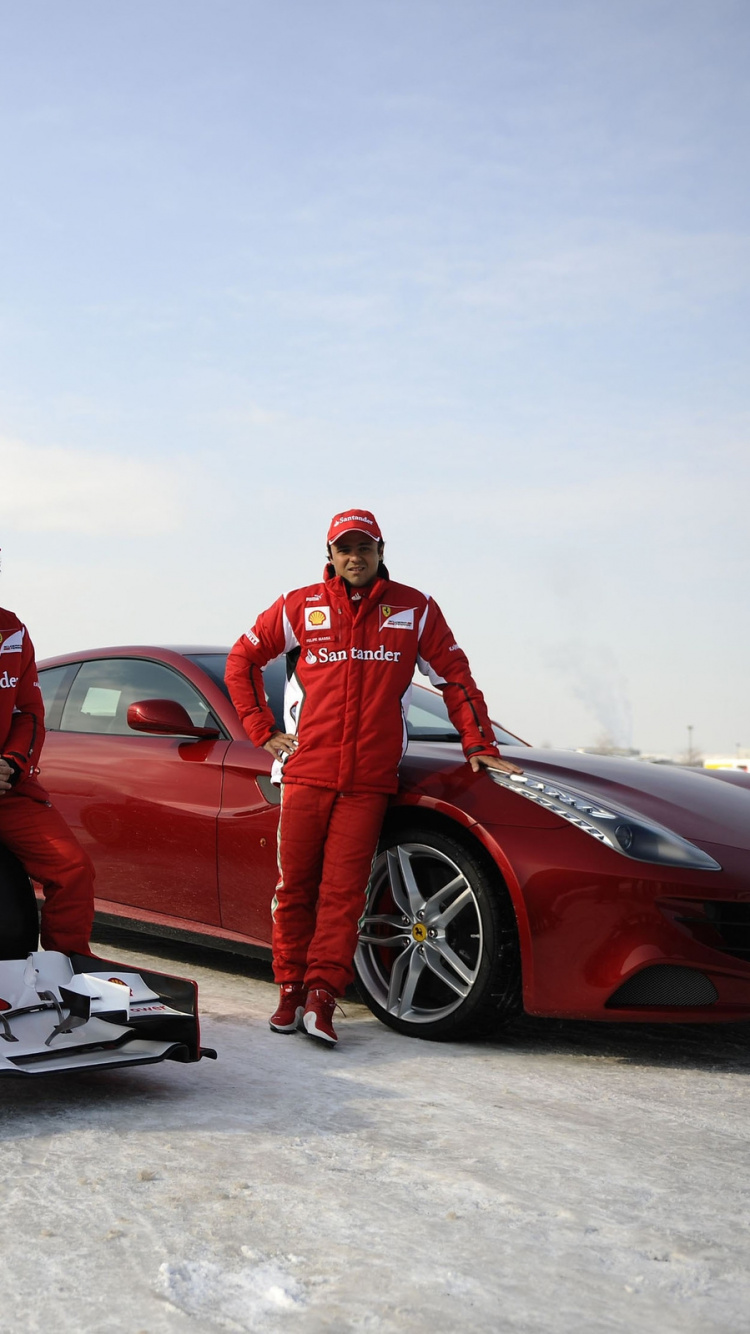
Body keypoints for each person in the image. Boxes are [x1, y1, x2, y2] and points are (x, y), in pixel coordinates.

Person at [225, 508, 521, 1046]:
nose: (354, 557)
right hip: (306, 772)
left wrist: (479, 744)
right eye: (345, 549)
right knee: (294, 889)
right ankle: (290, 990)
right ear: (330, 556)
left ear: (381, 552)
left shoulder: (415, 609)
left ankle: (322, 997)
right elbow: (241, 660)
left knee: (344, 894)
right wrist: (262, 731)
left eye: (364, 547)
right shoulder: (300, 605)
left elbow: (455, 677)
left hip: (368, 781)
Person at [0, 605, 95, 956]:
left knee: (73, 868)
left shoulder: (11, 629)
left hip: (8, 788)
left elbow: (28, 712)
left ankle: (66, 967)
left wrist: (11, 764)